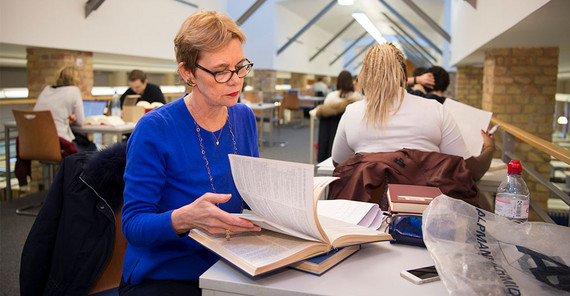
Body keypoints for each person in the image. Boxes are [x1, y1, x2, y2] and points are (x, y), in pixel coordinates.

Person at [120, 10, 260, 296]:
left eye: (240, 66)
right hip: (168, 270)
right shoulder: (155, 128)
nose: (235, 80)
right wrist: (185, 218)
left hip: (232, 258)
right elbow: (133, 225)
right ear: (188, 73)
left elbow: (252, 194)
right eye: (221, 71)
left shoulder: (244, 117)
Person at [331, 43, 495, 182]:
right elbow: (470, 171)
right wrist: (489, 148)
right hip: (424, 213)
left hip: (368, 212)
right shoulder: (434, 110)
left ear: (365, 75)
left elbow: (339, 164)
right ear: (404, 75)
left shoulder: (352, 112)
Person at [33, 66, 96, 152]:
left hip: (35, 142)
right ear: (75, 79)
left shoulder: (46, 90)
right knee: (91, 148)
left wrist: (65, 120)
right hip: (59, 143)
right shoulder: (74, 90)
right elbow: (80, 122)